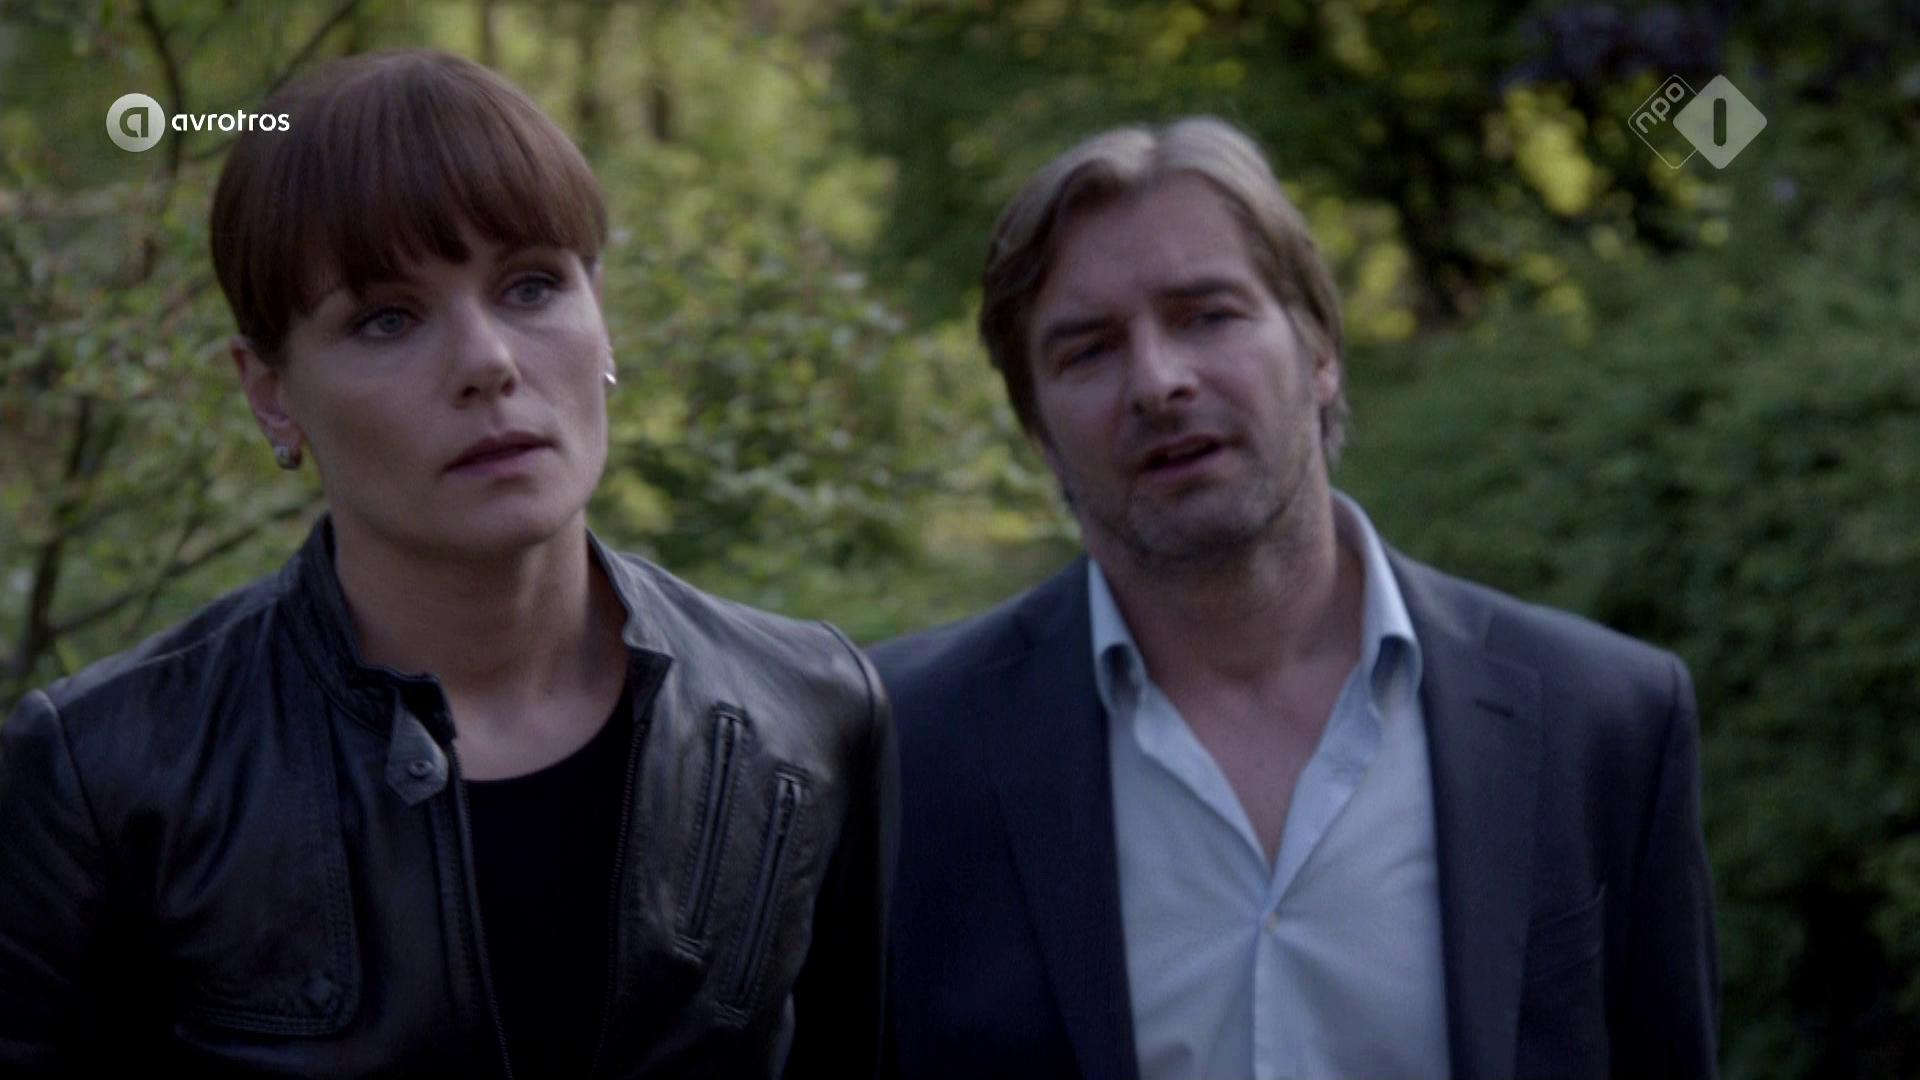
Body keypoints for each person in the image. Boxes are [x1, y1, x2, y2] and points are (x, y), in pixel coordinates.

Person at [0, 50, 892, 1078]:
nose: (487, 362)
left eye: (531, 286)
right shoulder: (106, 777)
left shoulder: (812, 710)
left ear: (602, 317)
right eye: (386, 318)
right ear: (271, 394)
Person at [874, 117, 1718, 1080]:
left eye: (1208, 315)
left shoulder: (1601, 719)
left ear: (1321, 350)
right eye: (1089, 350)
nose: (1158, 382)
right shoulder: (904, 750)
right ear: (1040, 436)